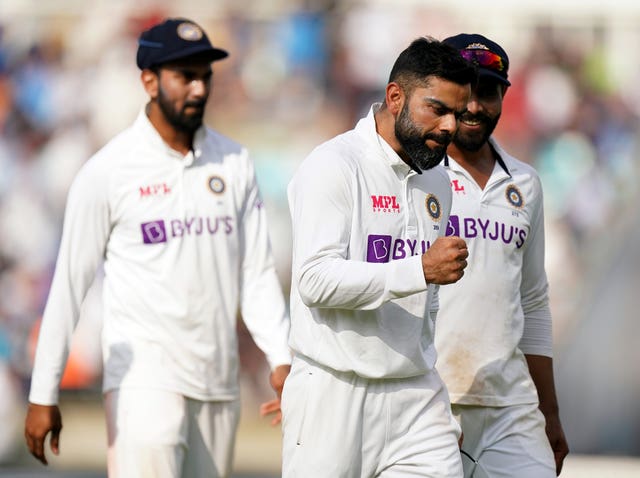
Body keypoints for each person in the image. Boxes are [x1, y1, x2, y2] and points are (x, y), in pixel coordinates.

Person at [24, 17, 292, 478]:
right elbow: (69, 287)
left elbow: (256, 274)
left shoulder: (234, 162)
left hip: (217, 381)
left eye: (204, 76)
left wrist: (283, 358)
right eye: (184, 76)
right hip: (142, 383)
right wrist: (42, 394)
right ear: (149, 80)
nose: (198, 89)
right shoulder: (108, 171)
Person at [283, 37, 477, 477]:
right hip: (334, 391)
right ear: (395, 97)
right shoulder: (333, 165)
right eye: (437, 109)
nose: (450, 126)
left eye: (458, 113)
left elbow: (426, 308)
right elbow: (314, 280)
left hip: (415, 397)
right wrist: (419, 269)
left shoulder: (437, 181)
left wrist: (435, 394)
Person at [435, 33, 570, 477]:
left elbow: (532, 301)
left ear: (504, 95)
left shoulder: (525, 184)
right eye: (465, 92)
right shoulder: (416, 176)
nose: (475, 107)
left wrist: (548, 411)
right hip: (430, 397)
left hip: (510, 404)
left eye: (488, 92)